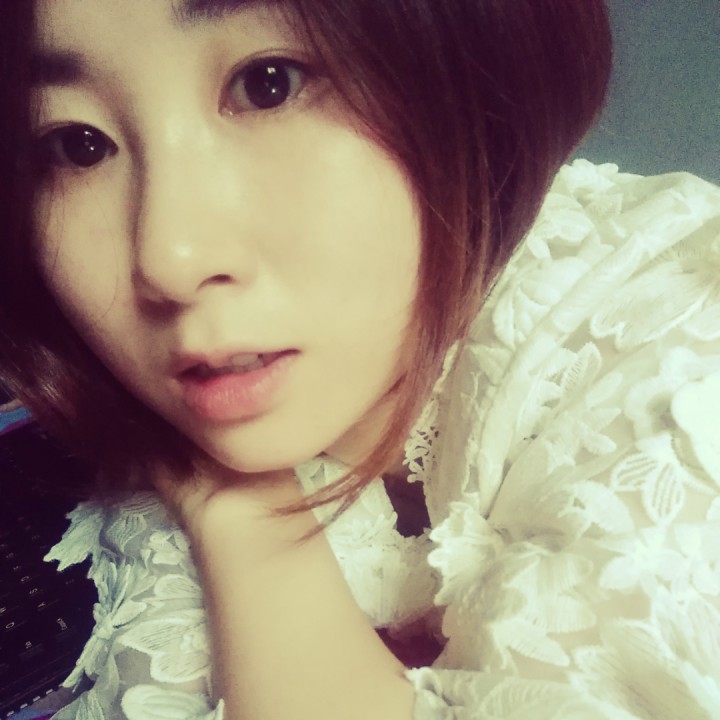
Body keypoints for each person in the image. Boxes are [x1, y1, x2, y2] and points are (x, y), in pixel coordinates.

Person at [1, 0, 719, 718]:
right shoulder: (165, 449)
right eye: (76, 145)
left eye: (268, 83)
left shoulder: (681, 358)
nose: (169, 259)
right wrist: (240, 506)